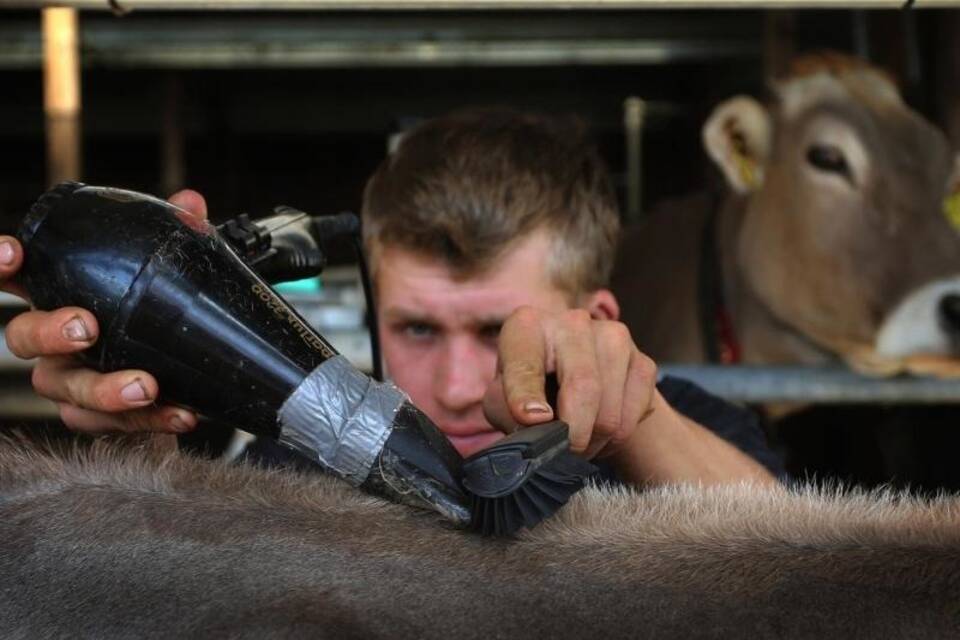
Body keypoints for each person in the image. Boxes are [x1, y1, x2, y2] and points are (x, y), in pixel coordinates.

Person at [0, 107, 781, 487]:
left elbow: (806, 578)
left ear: (600, 320)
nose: (459, 390)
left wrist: (637, 423)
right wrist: (137, 457)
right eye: (415, 328)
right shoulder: (293, 461)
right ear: (374, 311)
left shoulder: (696, 436)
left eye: (501, 332)